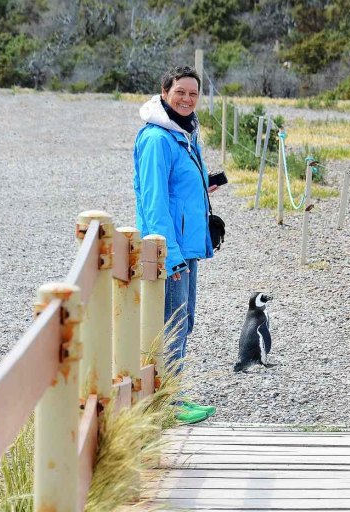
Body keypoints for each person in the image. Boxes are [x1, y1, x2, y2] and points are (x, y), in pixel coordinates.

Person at [133, 66, 218, 424]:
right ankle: (169, 404)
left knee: (184, 322)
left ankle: (172, 396)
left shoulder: (183, 133)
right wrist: (172, 258)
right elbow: (154, 205)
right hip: (171, 253)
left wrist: (203, 187)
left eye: (193, 94)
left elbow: (176, 189)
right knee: (171, 325)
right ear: (164, 91)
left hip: (186, 248)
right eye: (180, 92)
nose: (186, 99)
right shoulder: (157, 139)